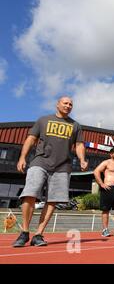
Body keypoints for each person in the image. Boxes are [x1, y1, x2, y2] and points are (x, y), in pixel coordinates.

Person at [13, 96, 88, 247]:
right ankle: (25, 232)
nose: (68, 106)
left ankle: (38, 234)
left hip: (63, 166)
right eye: (65, 103)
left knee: (52, 200)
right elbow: (30, 139)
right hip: (40, 161)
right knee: (29, 194)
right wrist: (22, 157)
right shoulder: (43, 120)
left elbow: (79, 145)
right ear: (57, 104)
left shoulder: (76, 125)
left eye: (71, 104)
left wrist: (82, 159)